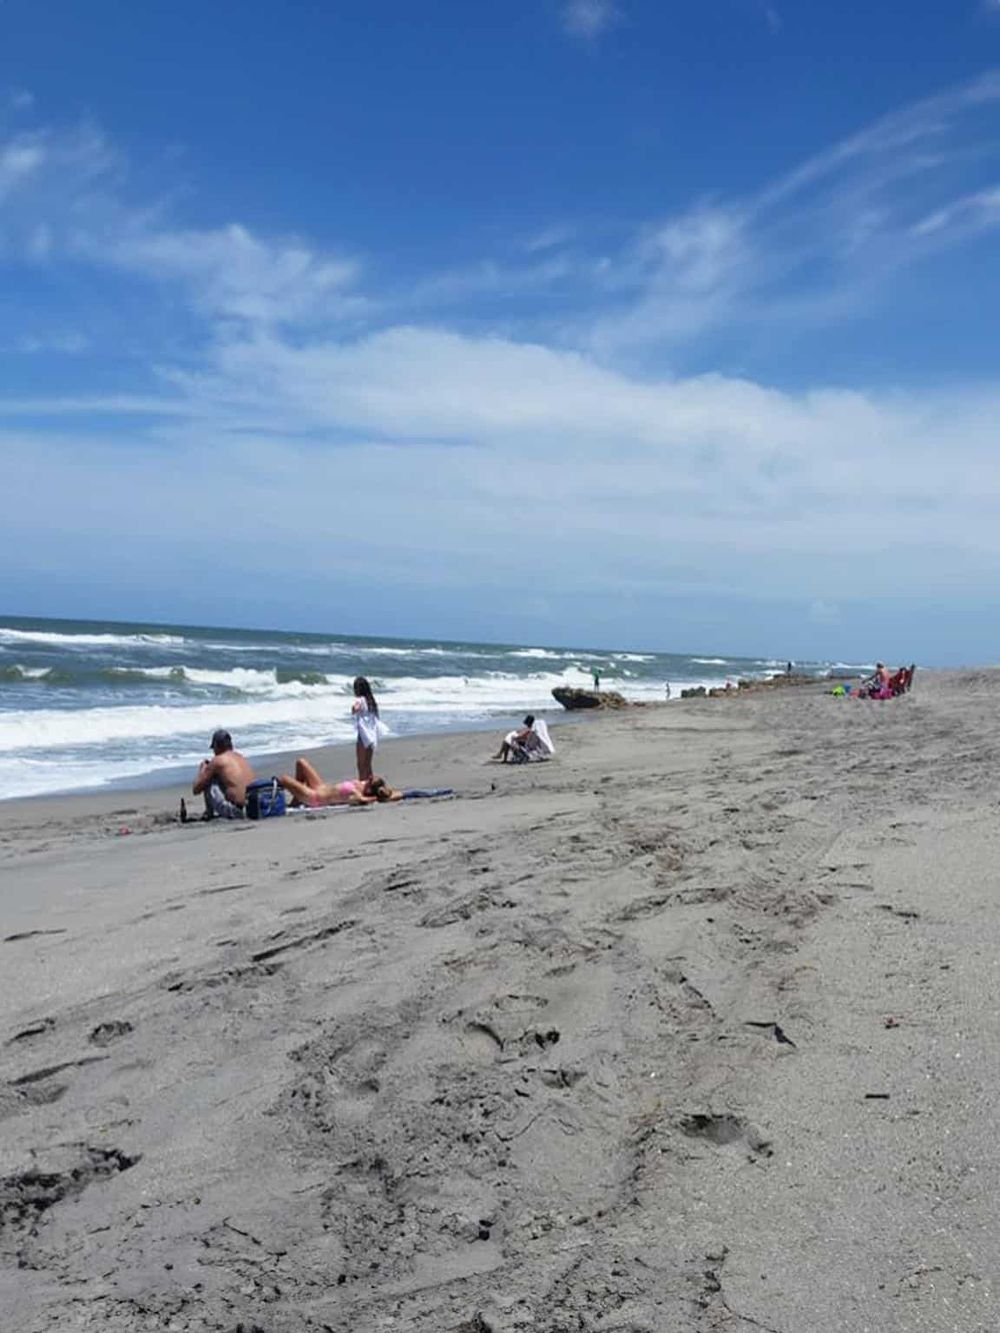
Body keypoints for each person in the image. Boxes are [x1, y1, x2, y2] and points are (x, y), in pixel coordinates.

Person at [279, 758, 402, 808]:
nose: (367, 779)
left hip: (315, 797)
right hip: (321, 787)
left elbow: (365, 800)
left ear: (370, 789)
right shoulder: (363, 785)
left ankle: (297, 800)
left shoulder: (356, 794)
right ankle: (296, 801)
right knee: (301, 762)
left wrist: (378, 798)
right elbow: (397, 794)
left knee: (284, 779)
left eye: (370, 780)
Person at [192, 729, 255, 820]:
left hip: (236, 811)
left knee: (209, 780)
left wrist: (203, 769)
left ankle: (209, 814)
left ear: (217, 746)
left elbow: (196, 789)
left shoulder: (217, 760)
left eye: (214, 748)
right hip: (252, 807)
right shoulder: (240, 757)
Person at [352, 675, 386, 782]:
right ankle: (371, 785)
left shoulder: (360, 699)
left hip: (363, 736)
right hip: (371, 735)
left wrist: (353, 709)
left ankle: (363, 785)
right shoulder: (371, 701)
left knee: (361, 765)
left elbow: (356, 708)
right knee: (367, 764)